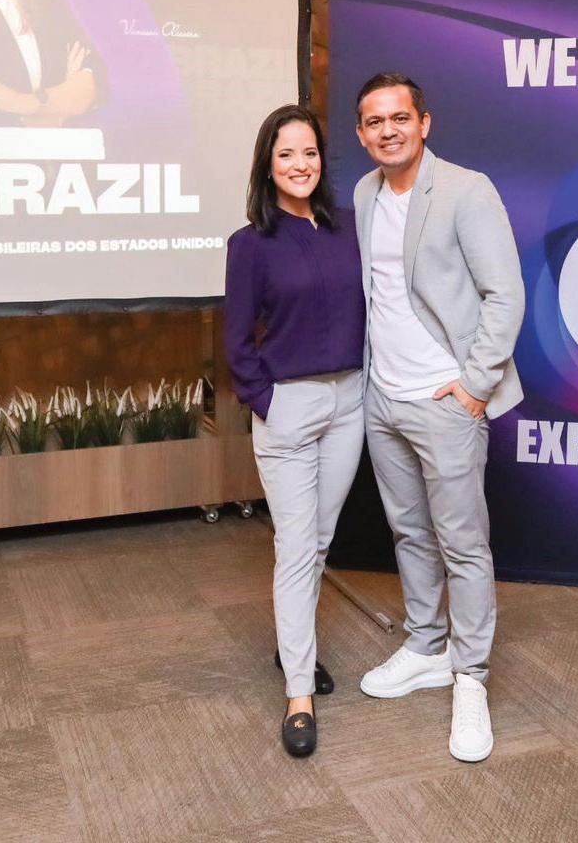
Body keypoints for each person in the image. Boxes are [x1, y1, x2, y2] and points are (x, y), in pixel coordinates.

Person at [353, 72, 524, 763]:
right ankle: (426, 646)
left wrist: (476, 387)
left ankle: (470, 675)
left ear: (424, 123)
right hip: (383, 398)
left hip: (445, 401)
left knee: (463, 544)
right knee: (408, 530)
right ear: (361, 133)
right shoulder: (364, 194)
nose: (387, 130)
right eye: (374, 121)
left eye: (399, 117)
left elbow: (504, 294)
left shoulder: (466, 190)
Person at [224, 104, 366, 757]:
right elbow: (236, 343)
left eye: (309, 152)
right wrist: (267, 402)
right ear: (267, 164)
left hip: (349, 402)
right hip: (289, 407)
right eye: (286, 154)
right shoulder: (251, 244)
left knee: (319, 542)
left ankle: (293, 648)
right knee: (296, 546)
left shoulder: (348, 227)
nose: (299, 164)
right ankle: (299, 694)